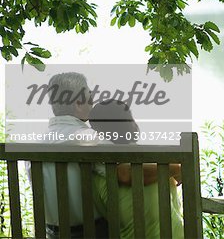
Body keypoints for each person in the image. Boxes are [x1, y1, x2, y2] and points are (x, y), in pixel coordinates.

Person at [28, 72, 109, 239]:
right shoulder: (92, 139)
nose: (92, 104)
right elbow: (123, 173)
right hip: (94, 232)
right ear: (78, 103)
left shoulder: (35, 145)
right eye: (90, 98)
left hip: (52, 234)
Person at [89, 99, 184, 239]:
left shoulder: (127, 153)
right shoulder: (105, 154)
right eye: (129, 118)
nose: (134, 124)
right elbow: (126, 174)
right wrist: (175, 168)